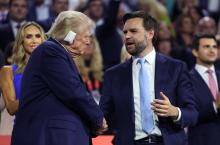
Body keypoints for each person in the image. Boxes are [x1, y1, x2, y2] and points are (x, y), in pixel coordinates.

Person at [100, 11, 198, 145]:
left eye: (133, 31)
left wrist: (175, 112)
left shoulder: (176, 68)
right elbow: (102, 116)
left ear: (150, 34)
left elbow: (192, 114)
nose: (127, 36)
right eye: (125, 32)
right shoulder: (113, 75)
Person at [11, 11, 107, 145]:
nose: (88, 41)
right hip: (49, 137)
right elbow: (72, 91)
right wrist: (98, 117)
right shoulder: (50, 51)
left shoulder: (56, 53)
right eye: (86, 36)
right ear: (70, 35)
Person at [0, 21, 46, 116]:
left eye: (38, 36)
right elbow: (11, 108)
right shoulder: (8, 71)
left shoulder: (52, 68)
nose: (34, 40)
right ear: (21, 41)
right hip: (24, 126)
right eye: (29, 37)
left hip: (49, 126)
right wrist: (37, 93)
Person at [188, 33, 220, 145]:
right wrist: (215, 105)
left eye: (214, 47)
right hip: (202, 140)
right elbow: (188, 115)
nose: (212, 50)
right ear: (195, 51)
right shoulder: (186, 79)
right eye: (206, 46)